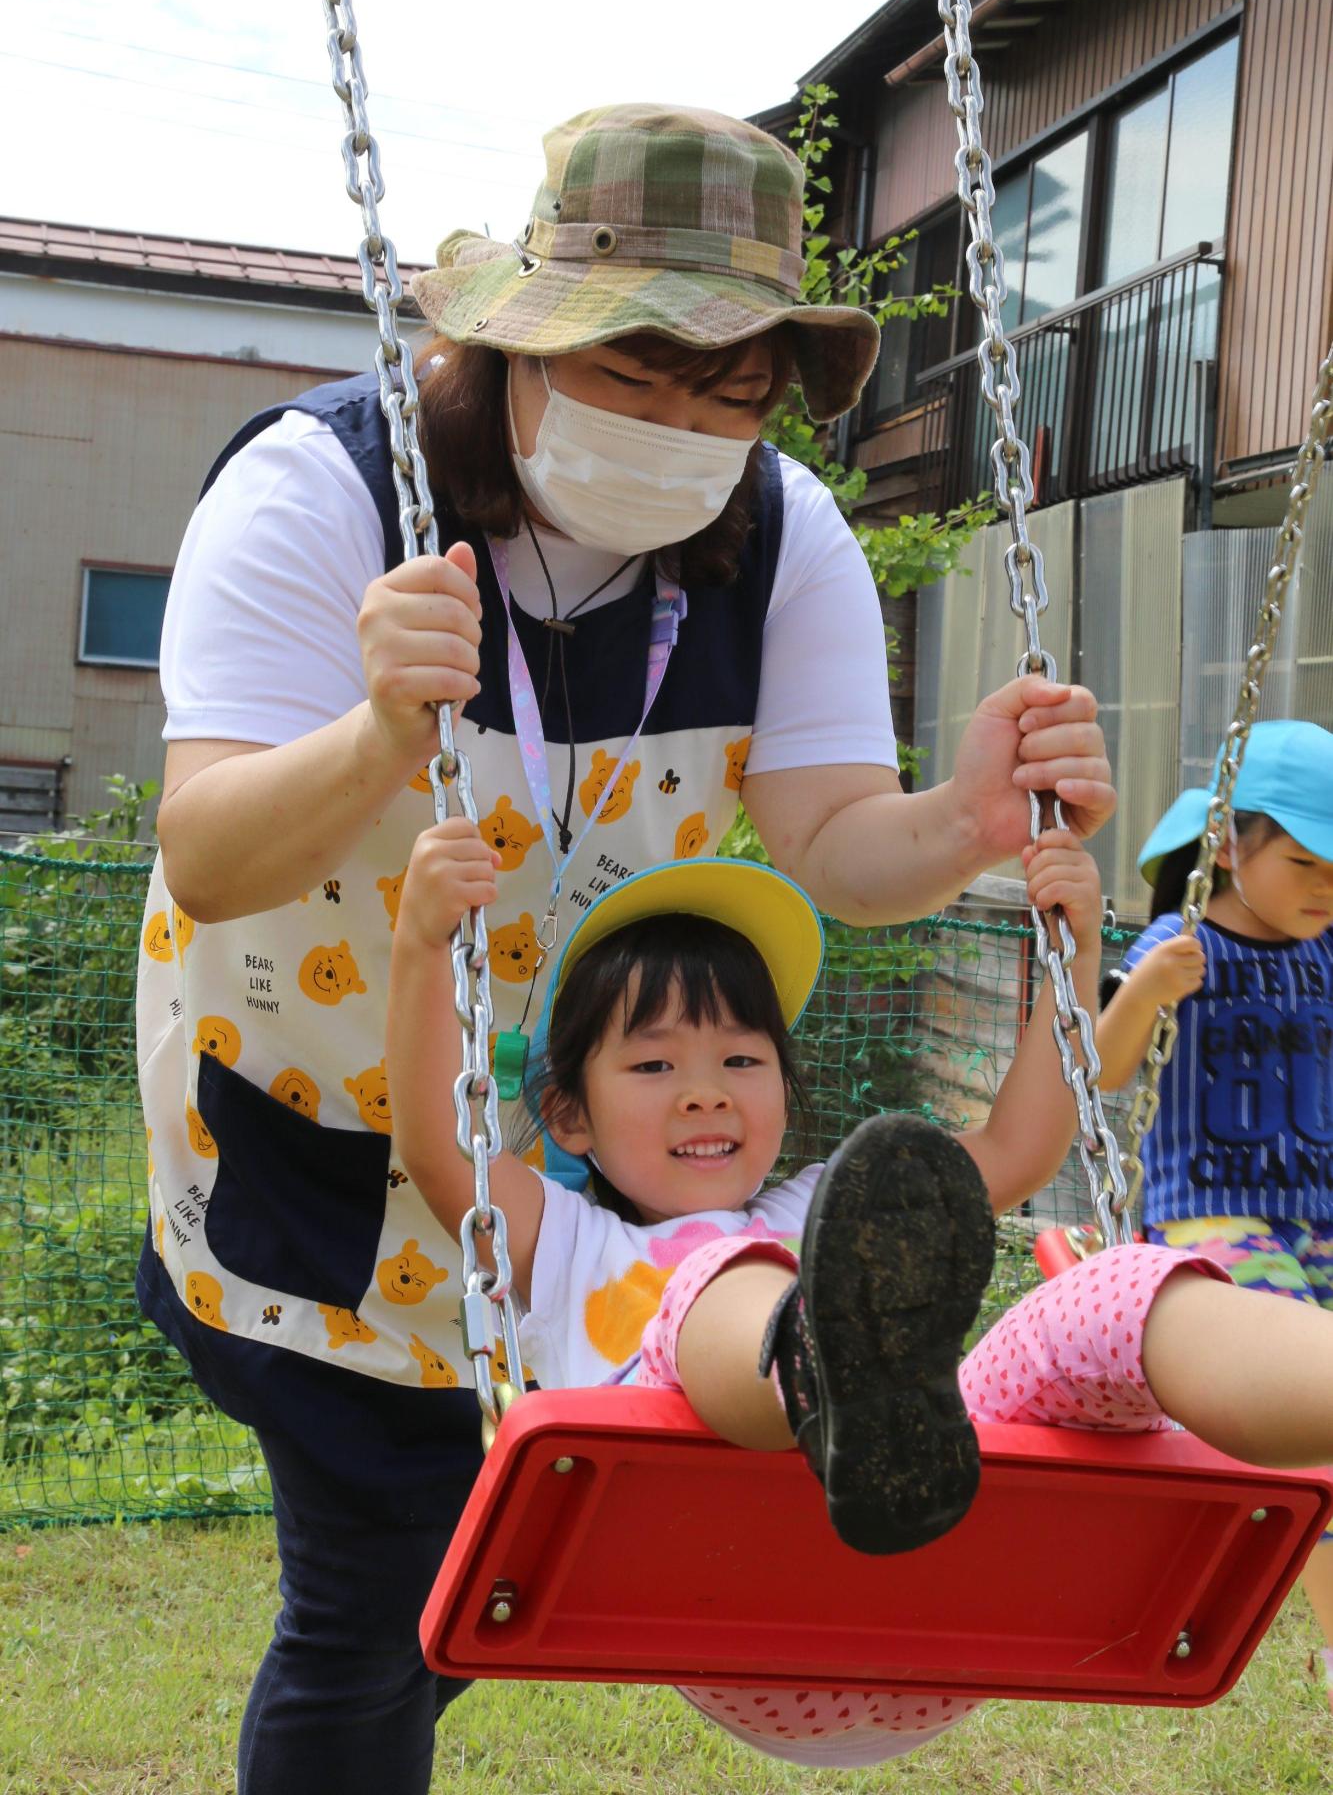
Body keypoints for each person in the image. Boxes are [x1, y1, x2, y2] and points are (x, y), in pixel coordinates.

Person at [135, 101, 1114, 1793]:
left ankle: (801, 1368)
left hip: (558, 1153)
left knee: (459, 1588)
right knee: (382, 1593)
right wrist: (380, 732)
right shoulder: (316, 492)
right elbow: (207, 857)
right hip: (308, 1123)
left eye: (727, 396)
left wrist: (958, 823)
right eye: (636, 380)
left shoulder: (777, 534)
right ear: (510, 349)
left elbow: (825, 843)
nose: (682, 431)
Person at [389, 826, 1333, 1769]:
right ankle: (818, 1365)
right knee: (710, 1290)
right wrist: (422, 943)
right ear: (567, 1116)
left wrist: (1073, 955)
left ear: (784, 1090)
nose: (705, 1095)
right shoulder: (562, 1240)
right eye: (652, 1065)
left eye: (741, 1061)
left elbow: (1013, 1149)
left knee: (1109, 1296)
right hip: (741, 1616)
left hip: (950, 1594)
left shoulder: (838, 1206)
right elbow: (438, 1142)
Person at [1096, 719, 1333, 1710]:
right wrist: (1146, 988)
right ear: (1229, 844)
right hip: (1214, 1228)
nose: (1325, 884)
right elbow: (1099, 1073)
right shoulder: (1178, 943)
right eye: (1306, 858)